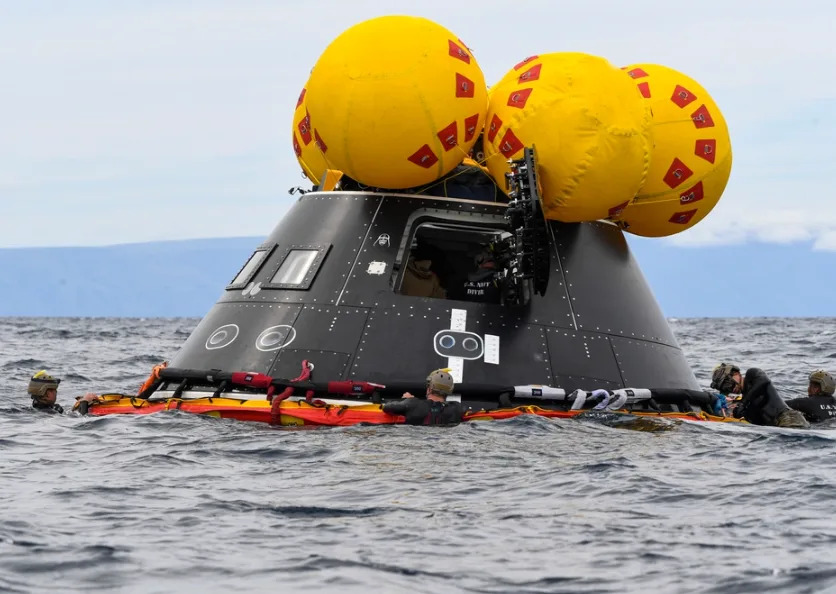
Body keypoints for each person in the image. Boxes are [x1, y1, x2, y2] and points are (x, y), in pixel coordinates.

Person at [732, 368, 809, 428]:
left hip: (788, 417)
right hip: (775, 426)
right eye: (723, 386)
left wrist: (743, 403)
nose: (730, 386)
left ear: (737, 374)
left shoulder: (752, 374)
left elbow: (764, 381)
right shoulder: (747, 403)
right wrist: (740, 413)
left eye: (727, 380)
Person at [382, 368, 463, 426]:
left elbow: (387, 407)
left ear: (429, 389)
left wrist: (407, 400)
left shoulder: (413, 404)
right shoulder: (457, 408)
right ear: (450, 390)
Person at [28, 370, 98, 415]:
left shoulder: (40, 409)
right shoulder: (49, 413)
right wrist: (85, 401)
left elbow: (68, 415)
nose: (56, 392)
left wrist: (77, 406)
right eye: (54, 389)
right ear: (48, 394)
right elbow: (82, 419)